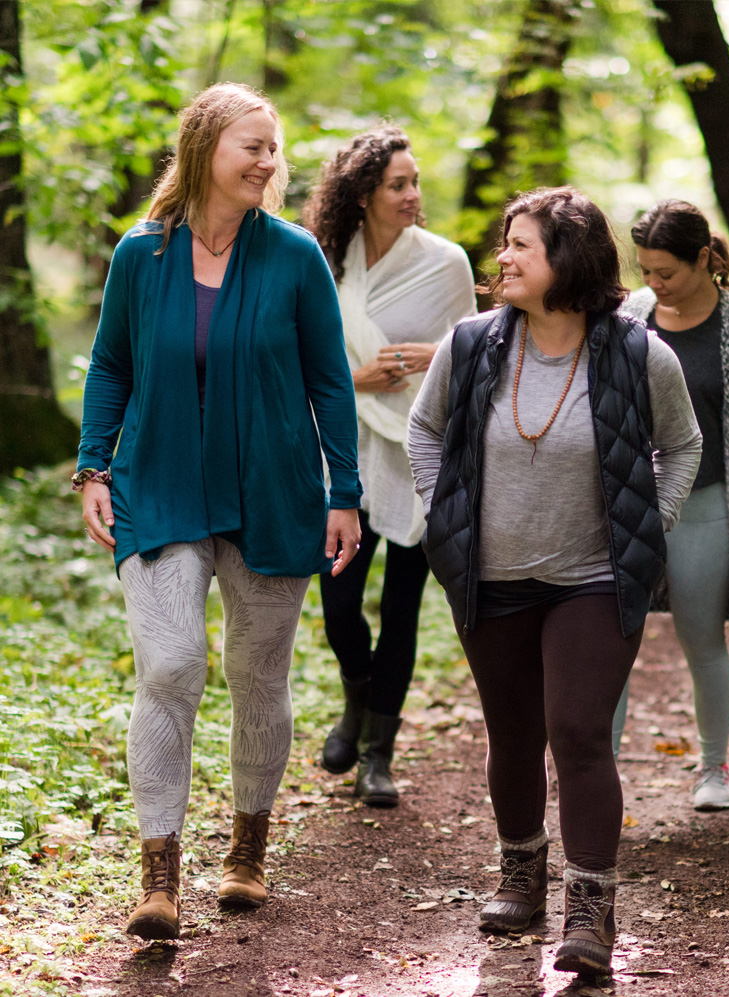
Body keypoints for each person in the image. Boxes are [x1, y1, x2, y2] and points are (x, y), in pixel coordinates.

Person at [74, 83, 362, 941]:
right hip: (159, 482)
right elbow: (111, 364)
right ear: (204, 148)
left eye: (274, 147)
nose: (269, 162)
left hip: (272, 488)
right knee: (169, 666)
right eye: (253, 145)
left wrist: (341, 490)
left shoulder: (294, 255)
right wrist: (94, 465)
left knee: (259, 673)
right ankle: (159, 873)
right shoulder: (141, 254)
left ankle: (246, 849)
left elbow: (328, 379)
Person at [407, 187, 702, 977]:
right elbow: (425, 429)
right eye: (505, 243)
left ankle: (590, 907)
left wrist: (653, 520)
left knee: (577, 730)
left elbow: (681, 444)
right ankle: (521, 873)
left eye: (521, 245)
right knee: (512, 732)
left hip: (594, 578)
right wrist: (440, 514)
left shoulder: (639, 352)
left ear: (565, 259)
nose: (502, 256)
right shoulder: (470, 344)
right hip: (491, 577)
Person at [302, 126, 476, 807]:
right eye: (397, 185)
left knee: (403, 607)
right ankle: (356, 698)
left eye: (415, 182)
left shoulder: (445, 263)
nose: (412, 195)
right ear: (363, 193)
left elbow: (473, 349)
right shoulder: (323, 262)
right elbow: (296, 358)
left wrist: (433, 357)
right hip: (343, 453)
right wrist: (354, 381)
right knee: (339, 602)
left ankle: (380, 752)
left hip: (421, 450)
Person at [612, 199, 729, 810]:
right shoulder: (631, 317)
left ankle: (713, 769)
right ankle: (597, 772)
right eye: (645, 271)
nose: (653, 284)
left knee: (701, 637)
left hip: (707, 504)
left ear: (704, 260)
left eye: (666, 272)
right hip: (629, 503)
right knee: (611, 636)